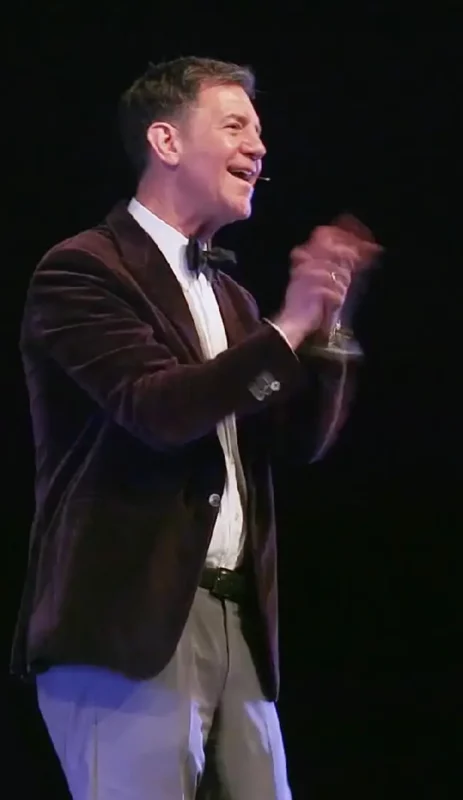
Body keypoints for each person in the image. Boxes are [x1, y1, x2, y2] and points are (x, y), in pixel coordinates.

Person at [10, 56, 381, 799]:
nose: (258, 147)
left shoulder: (233, 298)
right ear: (166, 141)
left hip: (236, 621)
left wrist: (327, 331)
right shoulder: (83, 270)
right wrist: (290, 324)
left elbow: (293, 442)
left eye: (260, 132)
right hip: (128, 627)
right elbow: (158, 408)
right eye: (236, 125)